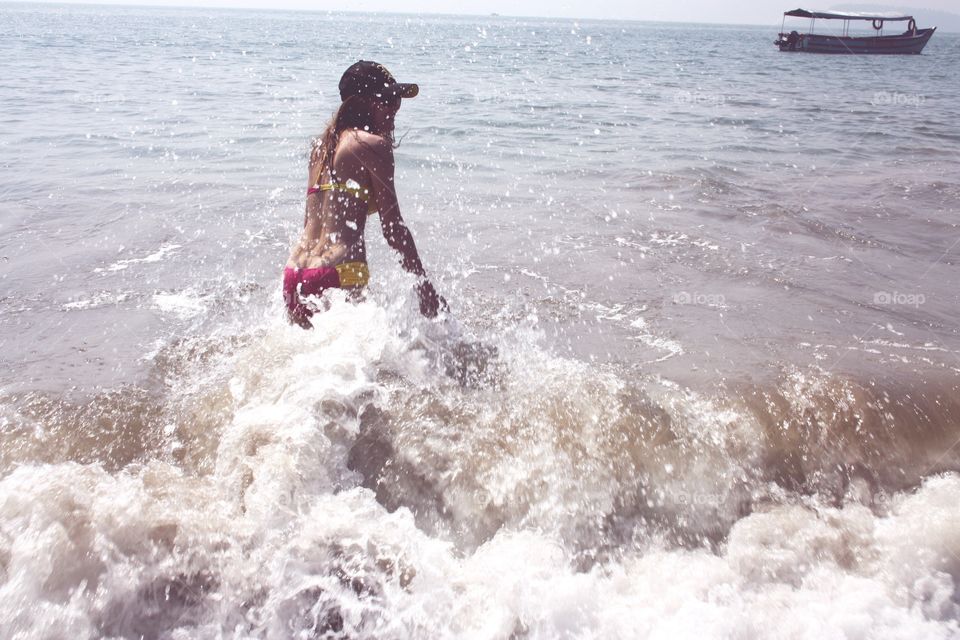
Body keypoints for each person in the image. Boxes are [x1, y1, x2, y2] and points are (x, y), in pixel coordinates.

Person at [283, 60, 445, 328]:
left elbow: (310, 220)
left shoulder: (320, 148)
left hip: (295, 275)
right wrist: (423, 287)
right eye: (388, 100)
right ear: (363, 103)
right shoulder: (372, 145)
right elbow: (393, 228)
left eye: (397, 101)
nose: (395, 108)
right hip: (339, 272)